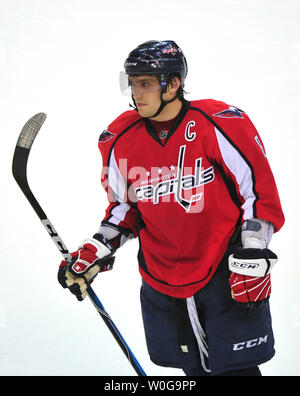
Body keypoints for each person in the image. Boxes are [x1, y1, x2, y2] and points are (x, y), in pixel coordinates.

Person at [58, 40, 285, 376]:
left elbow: (258, 195)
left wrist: (252, 252)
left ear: (174, 84)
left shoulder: (217, 124)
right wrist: (99, 246)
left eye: (146, 83)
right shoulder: (120, 138)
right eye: (132, 83)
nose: (137, 93)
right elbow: (125, 208)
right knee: (189, 372)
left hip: (222, 271)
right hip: (161, 278)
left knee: (238, 371)